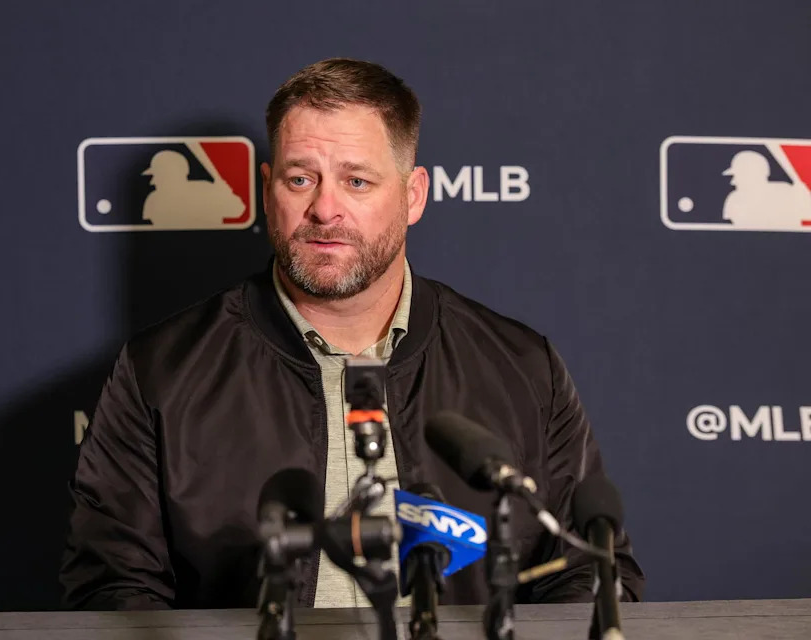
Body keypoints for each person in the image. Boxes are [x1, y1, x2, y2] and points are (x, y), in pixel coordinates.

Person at [60, 58, 645, 610]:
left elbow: (587, 570)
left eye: (357, 182)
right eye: (299, 178)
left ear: (413, 195)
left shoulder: (523, 366)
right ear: (268, 190)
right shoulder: (160, 371)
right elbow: (113, 588)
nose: (324, 208)